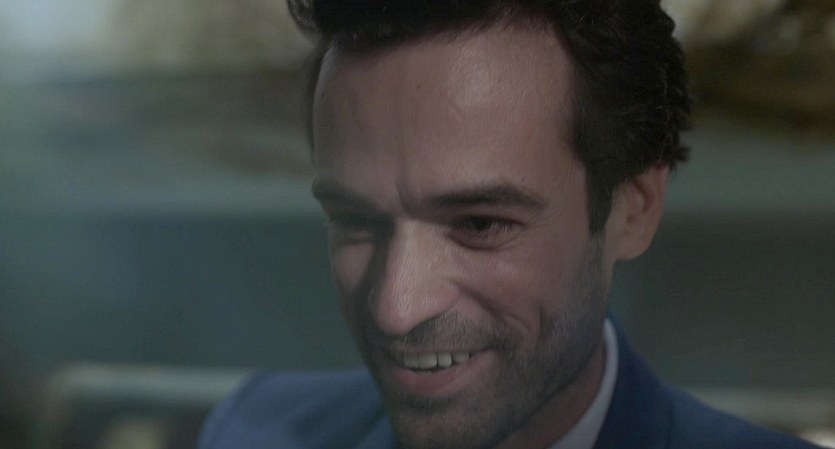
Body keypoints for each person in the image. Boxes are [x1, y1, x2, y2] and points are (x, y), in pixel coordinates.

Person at [199, 1, 822, 448]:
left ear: (633, 210)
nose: (396, 309)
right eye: (355, 220)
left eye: (479, 223)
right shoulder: (251, 430)